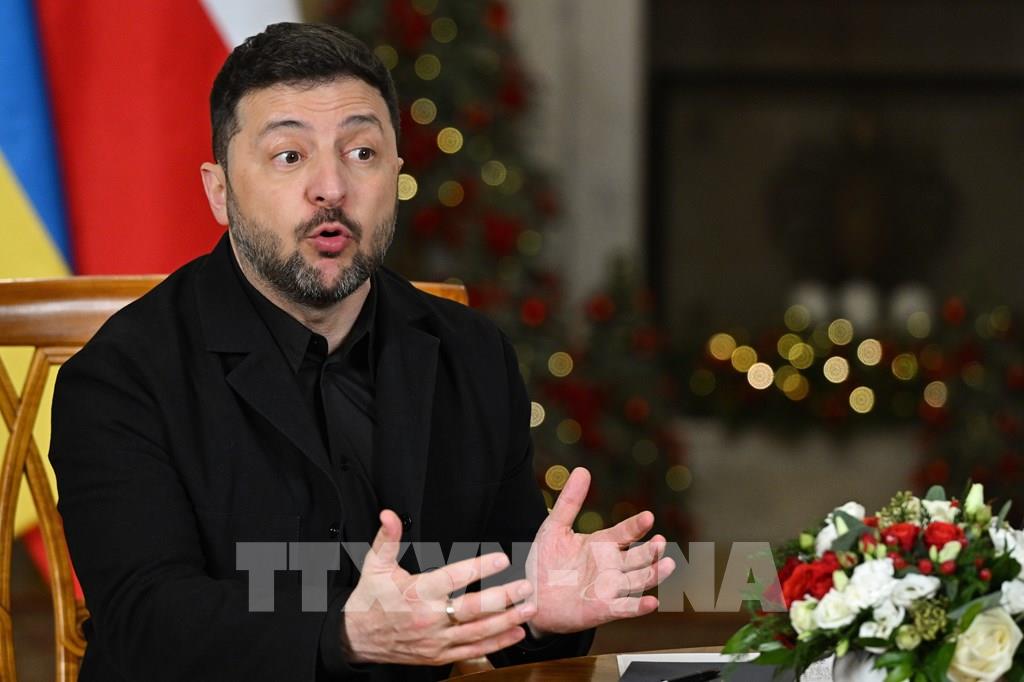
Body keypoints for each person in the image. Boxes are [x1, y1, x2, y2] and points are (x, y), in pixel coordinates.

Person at [49, 22, 675, 681]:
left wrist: (537, 611)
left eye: (362, 152)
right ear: (220, 191)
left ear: (396, 175)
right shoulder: (120, 377)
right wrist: (344, 634)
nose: (332, 187)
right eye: (289, 155)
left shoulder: (471, 354)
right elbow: (146, 620)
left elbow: (500, 592)